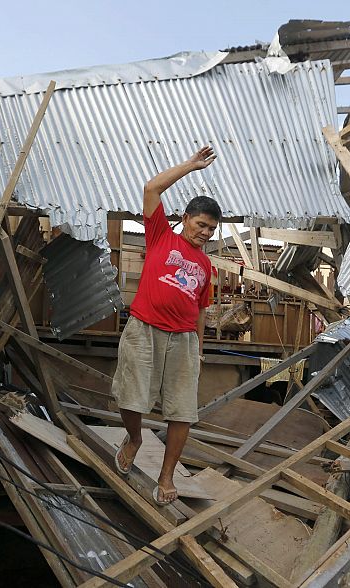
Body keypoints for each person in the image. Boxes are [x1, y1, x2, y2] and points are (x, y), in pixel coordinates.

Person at [112, 146, 220, 505]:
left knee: (182, 410)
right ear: (186, 218)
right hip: (144, 329)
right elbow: (151, 189)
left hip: (184, 342)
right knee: (131, 397)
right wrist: (191, 166)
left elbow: (201, 312)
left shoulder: (207, 267)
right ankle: (135, 438)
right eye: (200, 224)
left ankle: (167, 474)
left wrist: (200, 350)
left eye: (210, 228)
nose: (204, 232)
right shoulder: (161, 235)